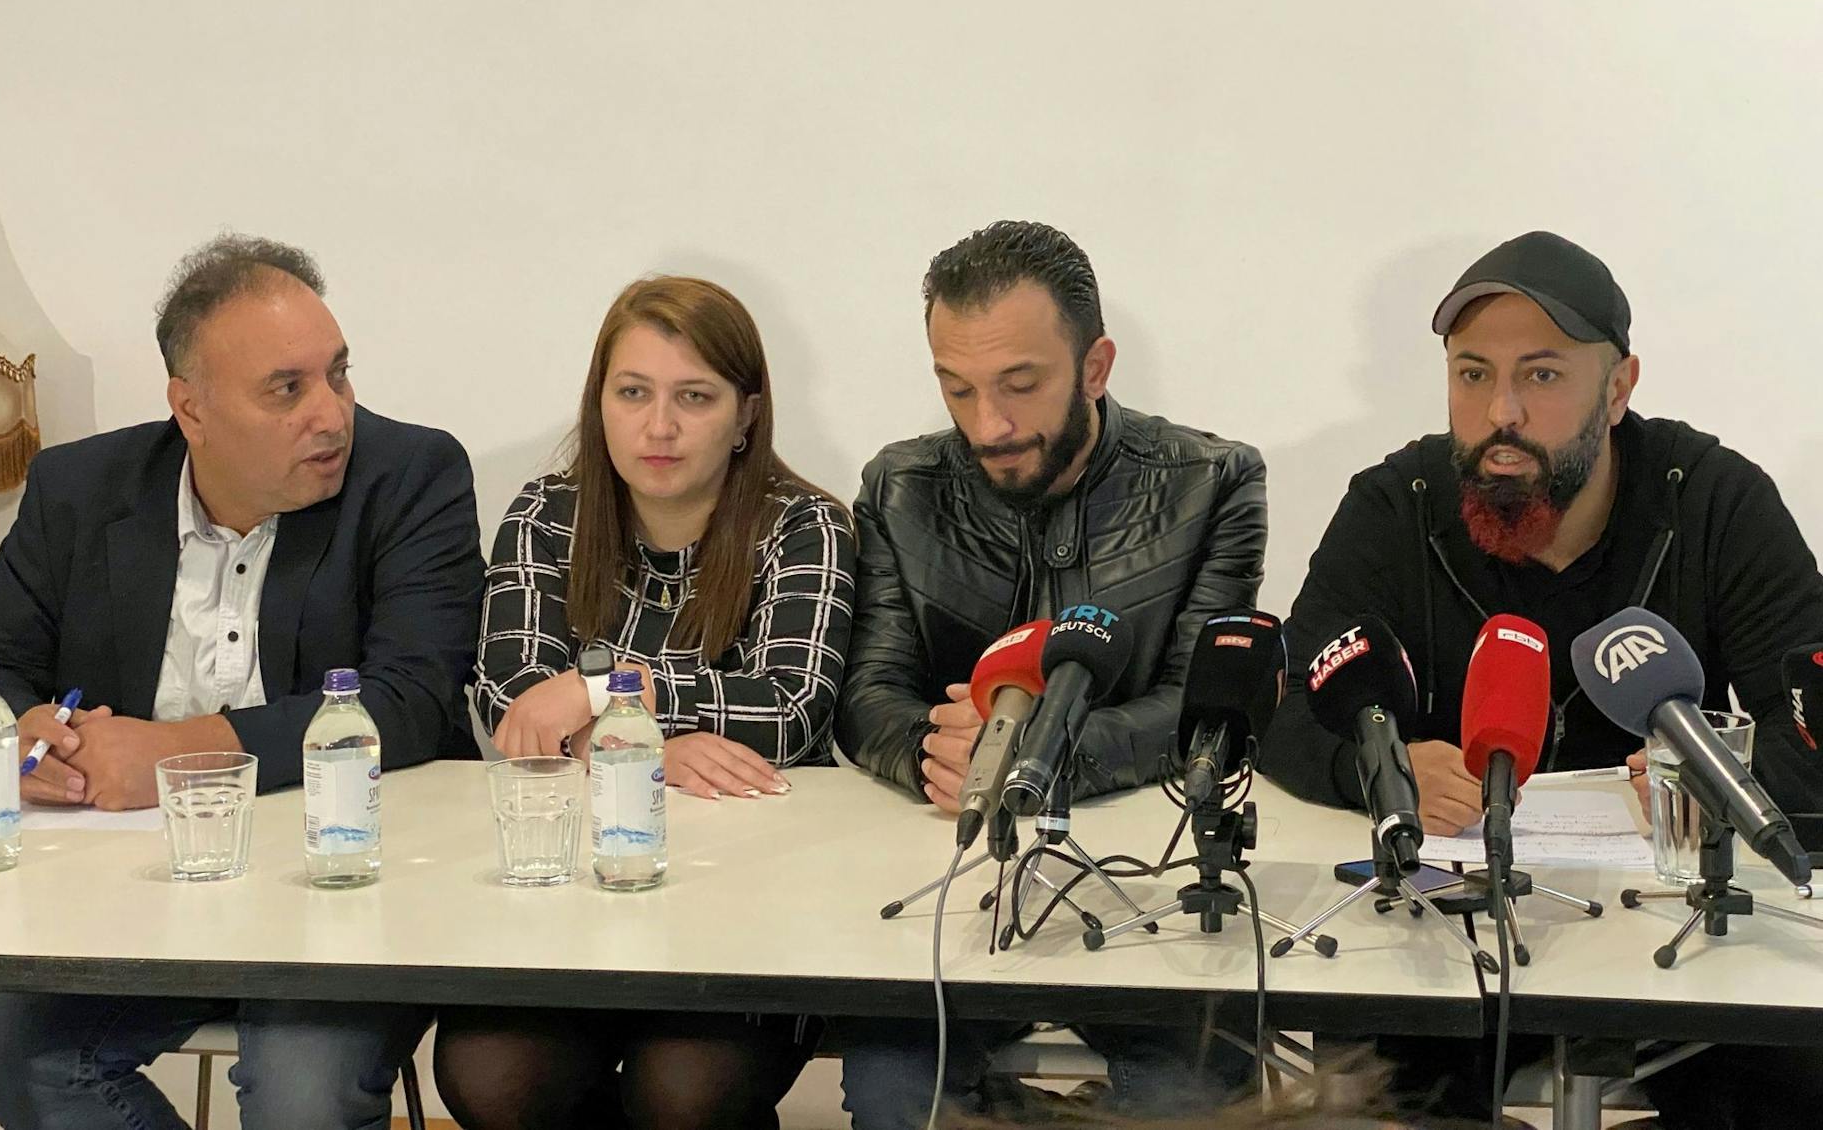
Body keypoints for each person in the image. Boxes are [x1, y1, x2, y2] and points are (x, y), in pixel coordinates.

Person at [1261, 230, 1823, 1129]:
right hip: (1454, 931)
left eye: (1544, 375)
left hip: (1680, 934)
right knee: (1371, 1099)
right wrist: (1383, 764)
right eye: (1472, 374)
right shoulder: (1394, 506)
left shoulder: (1715, 504)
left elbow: (1813, 723)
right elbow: (1287, 697)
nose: (1501, 413)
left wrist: (1720, 778)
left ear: (1620, 387)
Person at [0, 233, 483, 1130]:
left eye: (338, 374)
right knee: (13, 1055)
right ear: (190, 409)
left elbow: (413, 703)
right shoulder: (82, 489)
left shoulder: (410, 477)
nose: (333, 413)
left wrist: (169, 755)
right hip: (142, 892)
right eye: (288, 388)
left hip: (341, 883)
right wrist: (24, 737)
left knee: (299, 1097)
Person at [833, 220, 1269, 1128]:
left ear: (1096, 366)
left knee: (1188, 1103)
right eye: (958, 389)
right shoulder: (901, 485)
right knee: (893, 1102)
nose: (987, 424)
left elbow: (1203, 706)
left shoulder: (1211, 482)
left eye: (1019, 386)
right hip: (947, 888)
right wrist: (929, 751)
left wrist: (1038, 759)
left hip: (1144, 879)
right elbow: (867, 693)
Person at [434, 274, 856, 1130]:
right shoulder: (547, 514)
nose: (658, 426)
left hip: (753, 906)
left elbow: (789, 708)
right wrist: (640, 751)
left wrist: (603, 693)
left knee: (684, 1091)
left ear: (745, 414)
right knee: (489, 1071)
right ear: (600, 402)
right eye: (633, 393)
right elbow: (512, 701)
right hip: (572, 897)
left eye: (693, 397)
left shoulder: (805, 525)